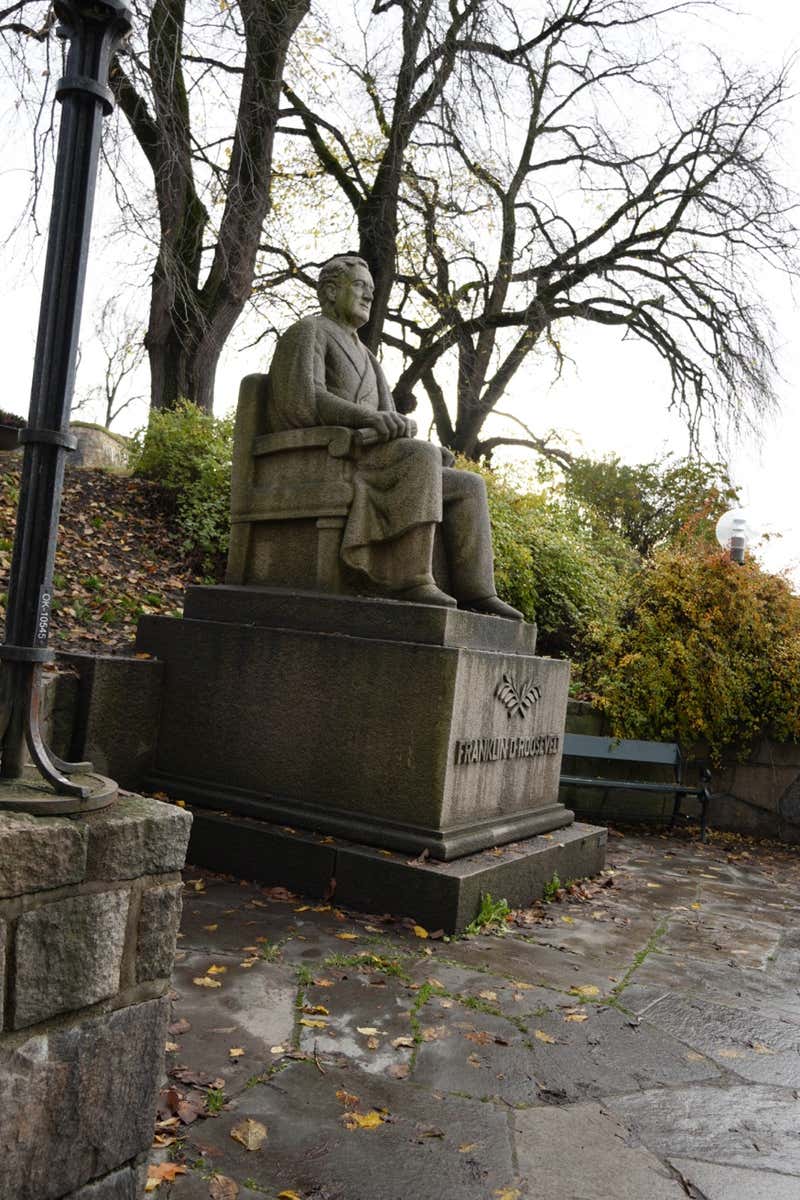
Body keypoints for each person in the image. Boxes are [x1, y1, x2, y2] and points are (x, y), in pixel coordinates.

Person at [266, 253, 522, 619]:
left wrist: (400, 426)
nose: (369, 296)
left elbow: (388, 414)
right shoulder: (309, 332)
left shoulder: (367, 355)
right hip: (334, 457)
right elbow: (305, 399)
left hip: (375, 458)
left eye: (371, 290)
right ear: (330, 290)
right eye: (359, 287)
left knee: (468, 485)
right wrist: (367, 418)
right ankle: (410, 577)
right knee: (421, 458)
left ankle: (477, 591)